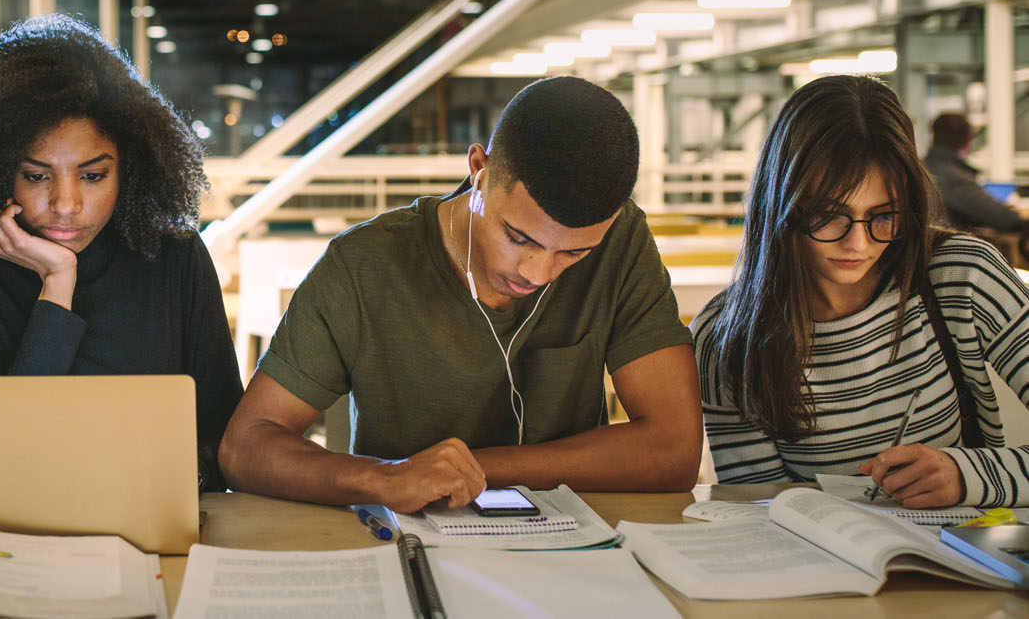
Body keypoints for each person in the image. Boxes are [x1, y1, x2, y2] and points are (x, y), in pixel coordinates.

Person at [217, 76, 703, 513]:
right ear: (479, 170)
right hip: (406, 545)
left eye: (573, 254)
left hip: (572, 551)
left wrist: (474, 469)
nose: (538, 272)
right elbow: (246, 447)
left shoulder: (622, 241)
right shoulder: (363, 266)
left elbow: (675, 450)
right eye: (518, 237)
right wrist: (385, 477)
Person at [0, 14, 242, 491]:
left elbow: (228, 439)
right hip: (20, 532)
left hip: (156, 521)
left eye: (93, 175)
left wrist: (177, 480)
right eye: (37, 176)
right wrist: (57, 283)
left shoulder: (174, 259)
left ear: (130, 170)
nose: (65, 204)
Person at [692, 75, 1029, 509]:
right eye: (829, 215)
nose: (859, 244)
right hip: (820, 568)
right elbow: (761, 508)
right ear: (782, 204)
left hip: (963, 565)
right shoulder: (728, 335)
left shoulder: (963, 276)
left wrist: (969, 476)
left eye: (883, 216)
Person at [925, 113, 1025, 233]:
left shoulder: (923, 167)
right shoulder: (953, 177)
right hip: (949, 247)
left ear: (933, 137)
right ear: (967, 142)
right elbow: (1004, 219)